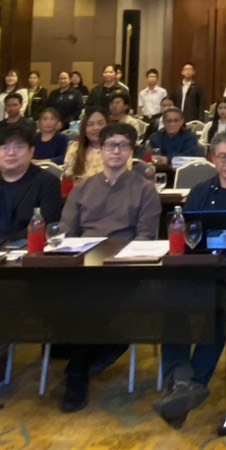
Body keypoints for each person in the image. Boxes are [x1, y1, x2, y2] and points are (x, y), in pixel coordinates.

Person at [156, 130, 226, 426]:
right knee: (172, 304)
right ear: (212, 159)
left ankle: (186, 387)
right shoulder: (201, 191)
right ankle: (182, 382)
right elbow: (189, 232)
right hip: (201, 267)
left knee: (217, 310)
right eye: (222, 157)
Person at [57, 122, 162, 412]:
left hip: (123, 267)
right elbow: (66, 231)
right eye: (110, 145)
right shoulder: (83, 188)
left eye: (123, 146)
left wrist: (118, 259)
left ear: (131, 152)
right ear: (100, 150)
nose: (116, 151)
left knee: (93, 300)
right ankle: (91, 355)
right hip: (84, 264)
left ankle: (77, 372)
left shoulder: (144, 190)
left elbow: (145, 236)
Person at [0, 126, 65, 388]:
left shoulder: (46, 183)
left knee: (2, 288)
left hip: (27, 258)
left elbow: (48, 225)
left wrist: (8, 245)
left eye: (19, 147)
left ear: (32, 151)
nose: (10, 153)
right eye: (4, 147)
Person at [63, 109, 108, 184]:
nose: (96, 128)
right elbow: (67, 181)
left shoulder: (118, 150)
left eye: (101, 123)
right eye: (90, 124)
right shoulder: (75, 149)